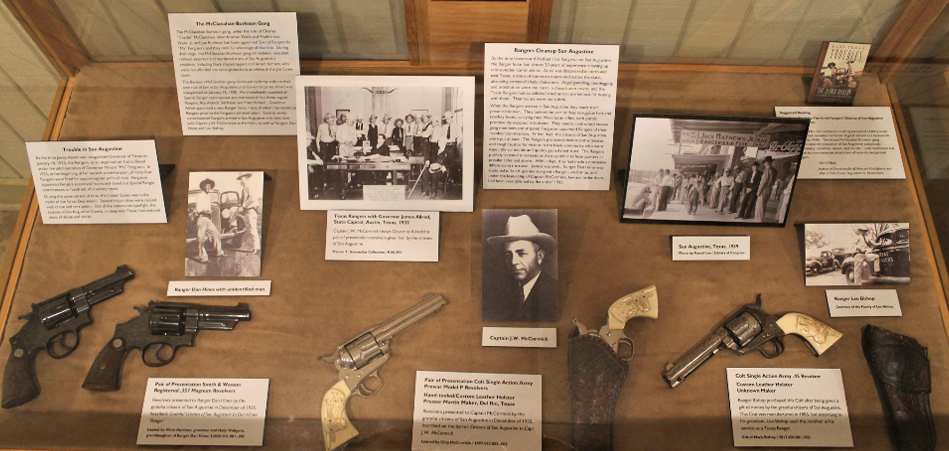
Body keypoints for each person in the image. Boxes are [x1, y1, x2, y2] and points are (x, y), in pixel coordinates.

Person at [483, 214, 558, 322]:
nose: (513, 262)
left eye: (521, 253)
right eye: (508, 255)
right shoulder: (498, 294)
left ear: (540, 257)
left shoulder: (554, 292)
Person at [194, 178, 225, 263]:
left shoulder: (207, 196)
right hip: (202, 218)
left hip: (207, 219)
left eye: (210, 186)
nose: (209, 187)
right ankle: (203, 257)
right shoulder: (200, 196)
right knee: (201, 239)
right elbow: (199, 210)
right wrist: (208, 212)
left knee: (216, 234)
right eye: (207, 186)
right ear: (203, 187)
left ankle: (219, 252)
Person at [237, 173, 261, 255]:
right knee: (251, 229)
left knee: (252, 229)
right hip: (248, 211)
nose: (241, 181)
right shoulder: (245, 188)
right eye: (240, 179)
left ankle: (256, 248)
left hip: (251, 210)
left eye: (242, 179)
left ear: (247, 178)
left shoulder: (249, 186)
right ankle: (256, 247)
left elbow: (252, 198)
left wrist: (243, 206)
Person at [755, 156, 777, 222]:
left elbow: (764, 181)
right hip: (769, 188)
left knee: (760, 205)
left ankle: (759, 220)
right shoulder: (774, 170)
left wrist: (759, 191)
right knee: (764, 204)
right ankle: (761, 219)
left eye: (765, 162)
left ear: (767, 163)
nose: (764, 164)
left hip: (764, 188)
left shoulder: (767, 170)